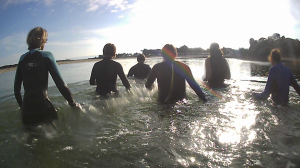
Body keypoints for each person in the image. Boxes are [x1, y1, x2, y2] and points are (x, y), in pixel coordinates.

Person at [14, 27, 78, 127]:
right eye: (46, 40)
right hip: (44, 108)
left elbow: (16, 89)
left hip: (27, 111)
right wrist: (72, 103)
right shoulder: (47, 56)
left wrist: (22, 108)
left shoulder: (22, 59)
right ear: (42, 40)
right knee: (55, 138)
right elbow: (60, 84)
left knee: (30, 140)